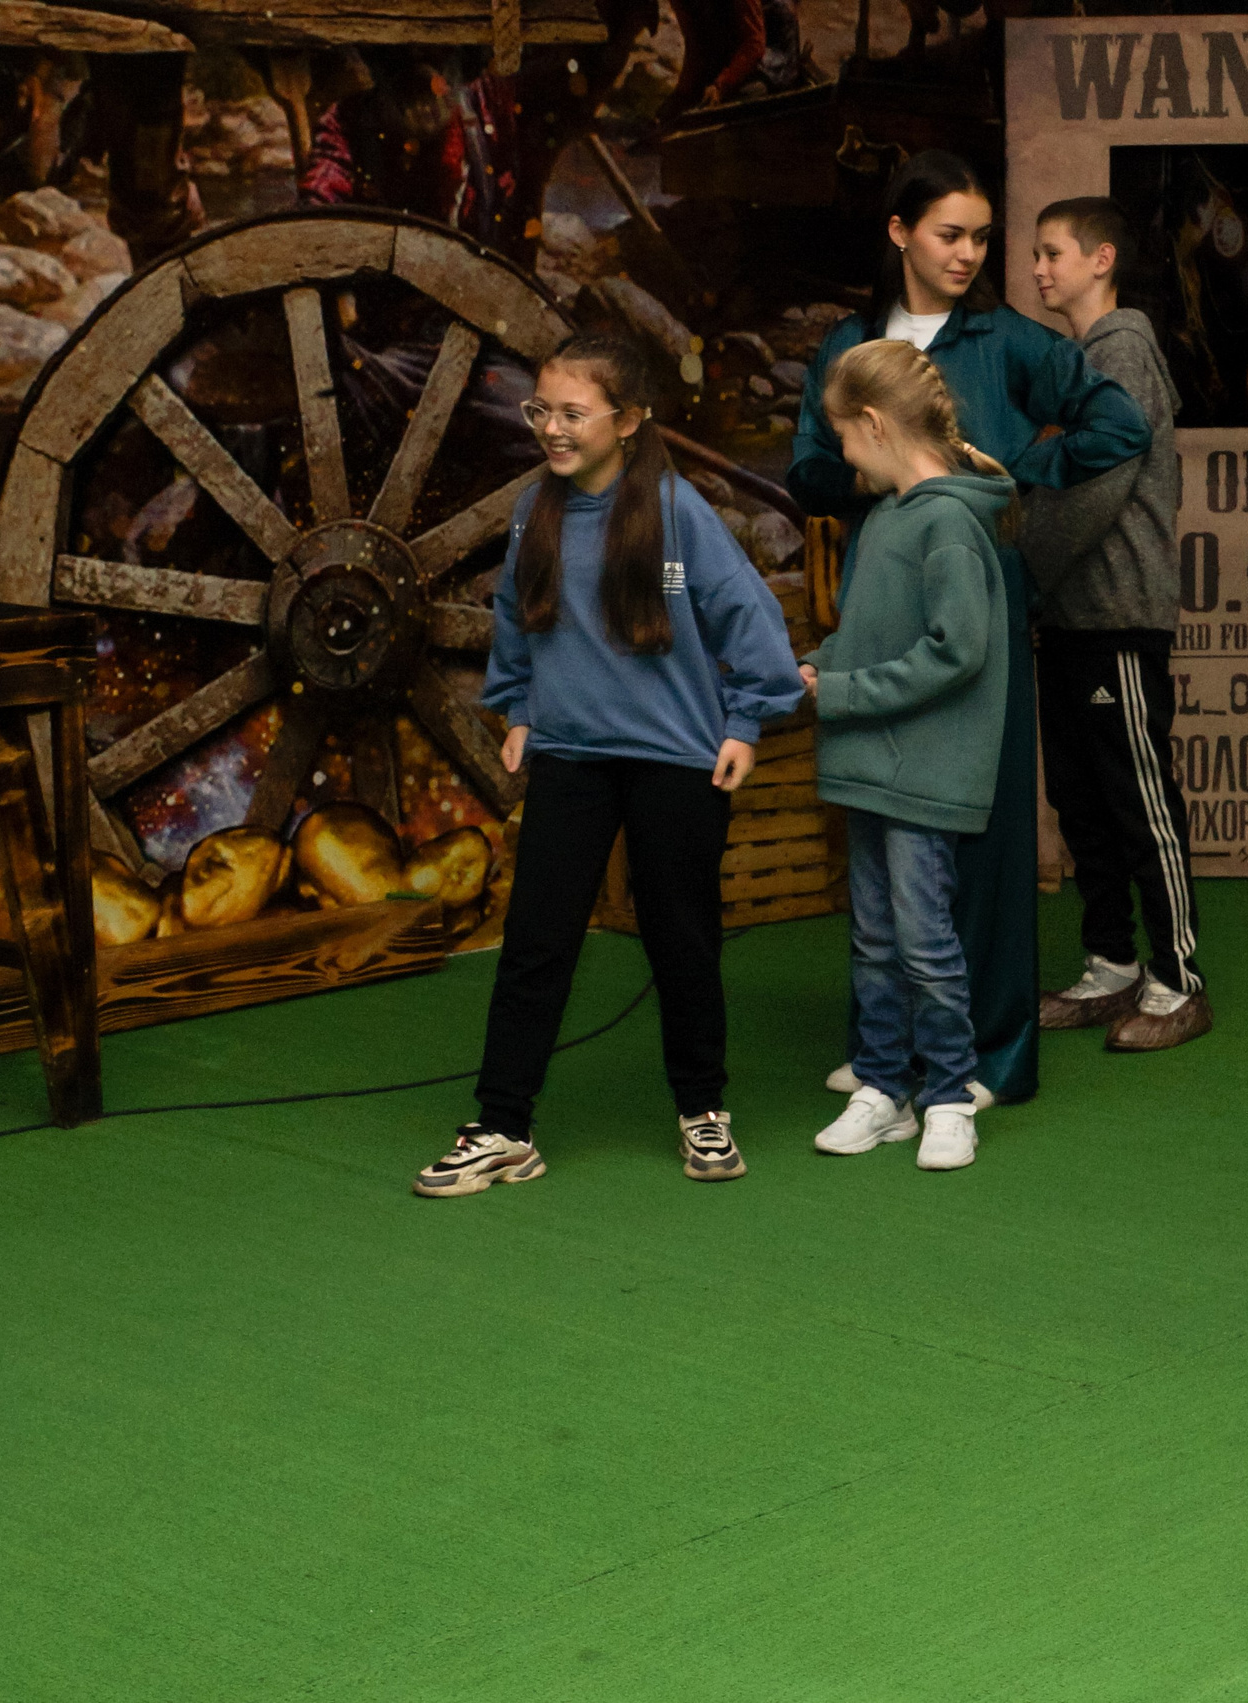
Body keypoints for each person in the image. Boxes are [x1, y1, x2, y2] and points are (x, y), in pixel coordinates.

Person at [790, 151, 1151, 1106]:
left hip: (977, 606)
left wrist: (997, 482)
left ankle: (989, 1055)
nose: (970, 252)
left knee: (981, 838)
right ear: (901, 232)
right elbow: (806, 471)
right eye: (951, 233)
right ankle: (891, 1056)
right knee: (878, 831)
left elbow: (1120, 427)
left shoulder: (1009, 340)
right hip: (874, 604)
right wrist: (884, 473)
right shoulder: (846, 342)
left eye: (983, 236)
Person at [414, 332, 804, 1198]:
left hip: (677, 761)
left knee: (683, 941)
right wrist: (519, 707)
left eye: (573, 413)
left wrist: (746, 722)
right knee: (535, 942)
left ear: (627, 421)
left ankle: (703, 1108)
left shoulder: (677, 510)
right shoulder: (532, 511)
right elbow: (515, 615)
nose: (552, 428)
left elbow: (752, 622)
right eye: (541, 410)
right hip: (571, 758)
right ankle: (502, 1124)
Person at [801, 341, 1019, 1172]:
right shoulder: (892, 515)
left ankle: (950, 1093)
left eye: (843, 438)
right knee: (875, 938)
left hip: (923, 775)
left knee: (925, 939)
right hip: (870, 768)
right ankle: (884, 1087)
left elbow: (957, 650)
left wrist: (845, 693)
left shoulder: (947, 523)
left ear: (874, 423)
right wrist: (829, 660)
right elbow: (877, 634)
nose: (842, 455)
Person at [1021, 195, 1208, 1052]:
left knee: (1139, 800)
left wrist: (1022, 566)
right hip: (1068, 616)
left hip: (1114, 616)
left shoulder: (1121, 348)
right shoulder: (1079, 355)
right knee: (1080, 799)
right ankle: (1111, 965)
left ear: (1102, 259)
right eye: (1034, 255)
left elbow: (1097, 488)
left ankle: (1178, 981)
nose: (1038, 269)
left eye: (1053, 252)